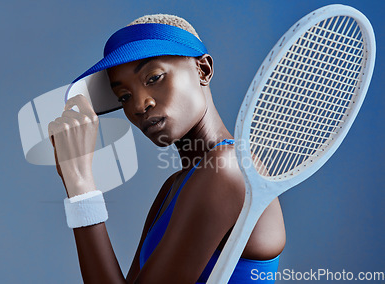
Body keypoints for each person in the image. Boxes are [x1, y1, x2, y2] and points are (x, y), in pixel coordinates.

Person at [48, 14, 286, 283]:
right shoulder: (174, 187)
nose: (139, 105)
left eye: (153, 78)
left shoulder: (228, 169)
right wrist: (77, 186)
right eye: (124, 96)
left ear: (202, 70)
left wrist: (81, 184)